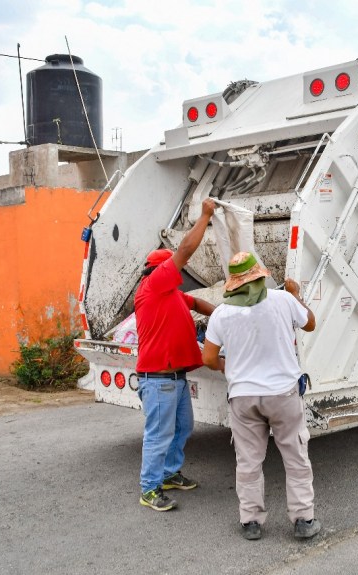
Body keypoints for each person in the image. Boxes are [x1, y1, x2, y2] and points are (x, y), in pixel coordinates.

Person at [202, 252, 319, 541]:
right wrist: (296, 294)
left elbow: (208, 358)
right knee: (295, 458)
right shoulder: (283, 300)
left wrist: (225, 367)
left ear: (233, 283)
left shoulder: (221, 313)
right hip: (283, 395)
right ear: (260, 277)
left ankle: (251, 521)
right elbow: (310, 324)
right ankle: (303, 520)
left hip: (243, 398)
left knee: (249, 461)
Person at [134, 198, 217, 512]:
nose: (177, 273)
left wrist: (222, 315)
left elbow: (196, 304)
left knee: (183, 427)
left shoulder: (171, 295)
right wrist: (205, 216)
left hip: (175, 378)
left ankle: (168, 474)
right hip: (158, 380)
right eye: (170, 267)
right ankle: (150, 488)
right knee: (158, 434)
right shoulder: (153, 286)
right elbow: (184, 251)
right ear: (158, 270)